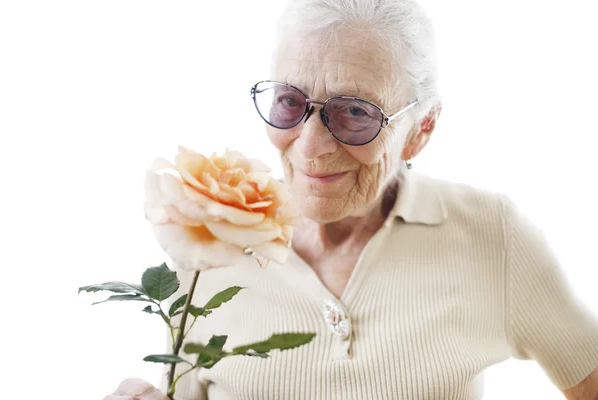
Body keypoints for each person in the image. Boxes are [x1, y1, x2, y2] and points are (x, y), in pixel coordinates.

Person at [103, 0, 598, 399]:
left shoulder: (493, 235)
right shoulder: (211, 239)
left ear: (420, 131)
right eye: (290, 102)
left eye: (356, 112)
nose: (311, 146)